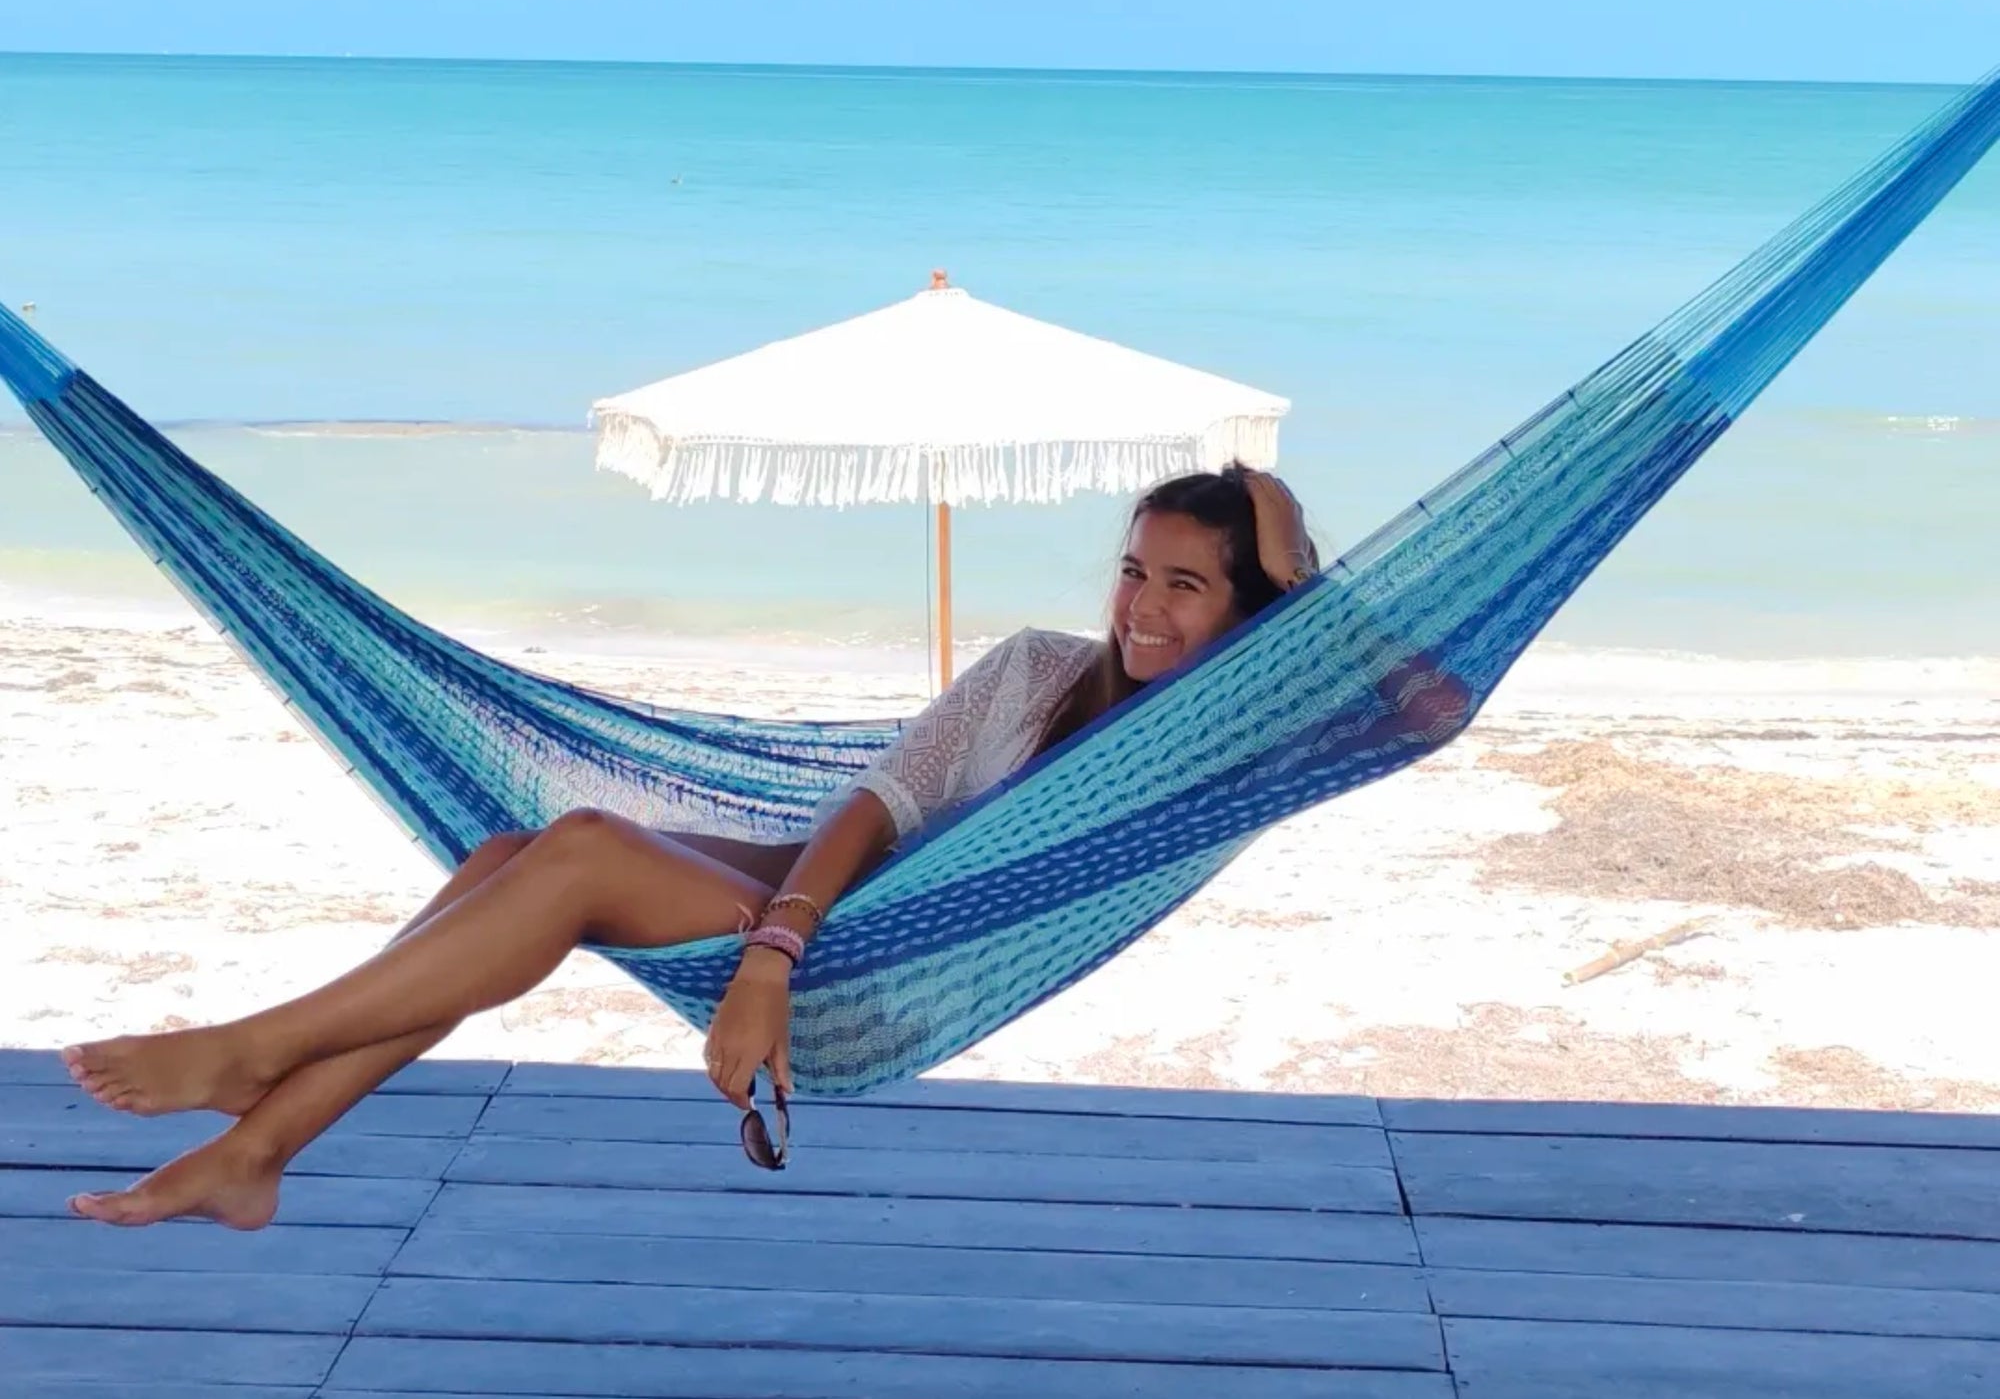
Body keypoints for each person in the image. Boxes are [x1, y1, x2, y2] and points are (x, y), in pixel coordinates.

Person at [61, 465, 1463, 1230]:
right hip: (828, 915)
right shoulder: (1038, 666)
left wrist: (1303, 572)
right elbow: (872, 808)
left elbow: (1431, 709)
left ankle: (254, 1052)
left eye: (1189, 584)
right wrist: (775, 944)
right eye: (1135, 569)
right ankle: (260, 1150)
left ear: (1253, 606)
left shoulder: (1236, 746)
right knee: (509, 855)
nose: (1144, 607)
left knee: (579, 851)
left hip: (896, 972)